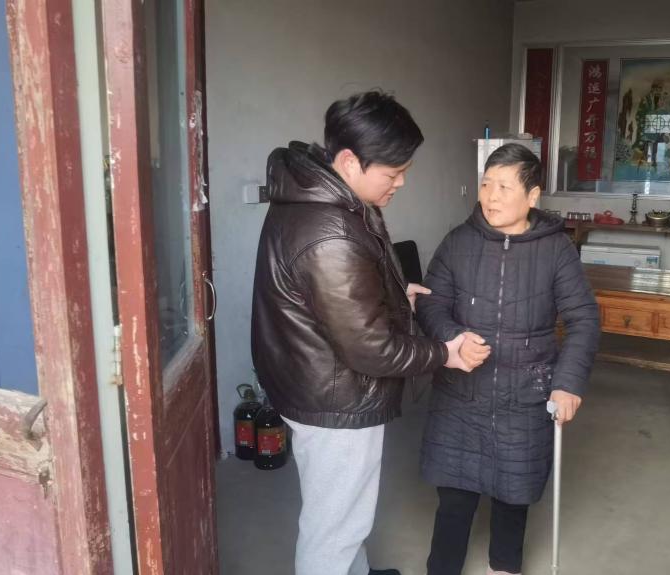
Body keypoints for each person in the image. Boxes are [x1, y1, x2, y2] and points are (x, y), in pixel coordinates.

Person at [250, 90, 490, 575]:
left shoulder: (318, 195)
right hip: (336, 397)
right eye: (393, 172)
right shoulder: (330, 232)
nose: (401, 182)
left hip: (311, 375)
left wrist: (396, 295)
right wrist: (444, 353)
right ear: (348, 160)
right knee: (334, 527)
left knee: (345, 512)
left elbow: (334, 298)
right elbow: (370, 349)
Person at [415, 143, 601, 575]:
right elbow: (430, 302)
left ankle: (504, 567)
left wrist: (567, 383)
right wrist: (453, 338)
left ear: (532, 196)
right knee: (454, 498)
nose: (491, 196)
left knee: (513, 496)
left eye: (503, 187)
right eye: (486, 184)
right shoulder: (458, 242)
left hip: (526, 392)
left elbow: (583, 319)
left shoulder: (556, 249)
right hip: (461, 392)